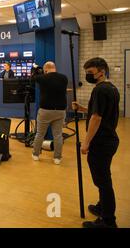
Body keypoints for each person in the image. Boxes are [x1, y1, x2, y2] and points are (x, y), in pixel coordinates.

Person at [72, 57, 120, 228]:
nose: (88, 76)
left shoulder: (99, 90)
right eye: (86, 73)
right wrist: (82, 108)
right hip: (110, 140)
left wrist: (86, 143)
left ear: (101, 71)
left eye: (90, 73)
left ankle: (108, 221)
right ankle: (102, 207)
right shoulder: (112, 88)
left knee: (103, 181)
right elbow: (100, 111)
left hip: (102, 142)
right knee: (103, 179)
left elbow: (96, 117)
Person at [31, 61, 68, 164]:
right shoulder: (64, 78)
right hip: (60, 111)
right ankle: (57, 158)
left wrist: (35, 69)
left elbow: (33, 78)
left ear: (45, 69)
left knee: (40, 134)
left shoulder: (42, 78)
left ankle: (35, 155)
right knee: (58, 135)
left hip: (45, 111)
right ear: (54, 68)